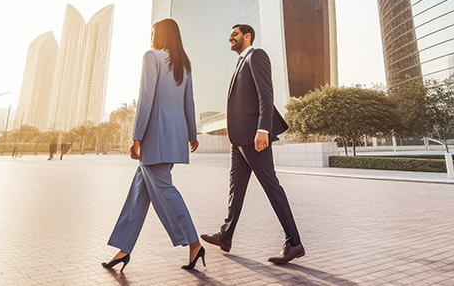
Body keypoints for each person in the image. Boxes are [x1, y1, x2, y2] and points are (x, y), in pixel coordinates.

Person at [103, 18, 204, 272]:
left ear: (159, 34)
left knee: (165, 190)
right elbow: (189, 102)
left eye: (152, 32)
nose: (150, 36)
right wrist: (192, 133)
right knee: (140, 191)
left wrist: (136, 136)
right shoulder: (184, 64)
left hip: (155, 136)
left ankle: (194, 243)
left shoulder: (152, 57)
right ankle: (124, 250)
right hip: (175, 135)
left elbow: (145, 98)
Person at [199, 24, 304, 264]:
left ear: (247, 37)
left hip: (254, 135)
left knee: (271, 185)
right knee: (236, 188)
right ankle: (226, 236)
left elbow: (265, 95)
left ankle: (294, 243)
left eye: (234, 35)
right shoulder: (239, 63)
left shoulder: (256, 55)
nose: (230, 38)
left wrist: (263, 129)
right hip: (239, 138)